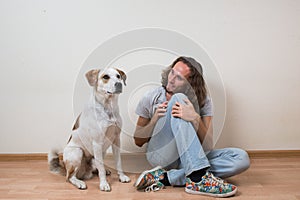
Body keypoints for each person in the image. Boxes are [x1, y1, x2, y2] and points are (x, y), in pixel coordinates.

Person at [133, 56, 250, 197]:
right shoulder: (152, 96)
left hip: (189, 158)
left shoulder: (204, 101)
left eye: (179, 78)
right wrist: (154, 120)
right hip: (161, 155)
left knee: (240, 158)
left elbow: (207, 145)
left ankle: (166, 178)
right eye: (172, 72)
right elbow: (138, 141)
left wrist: (195, 117)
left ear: (190, 84)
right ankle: (197, 179)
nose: (171, 79)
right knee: (178, 99)